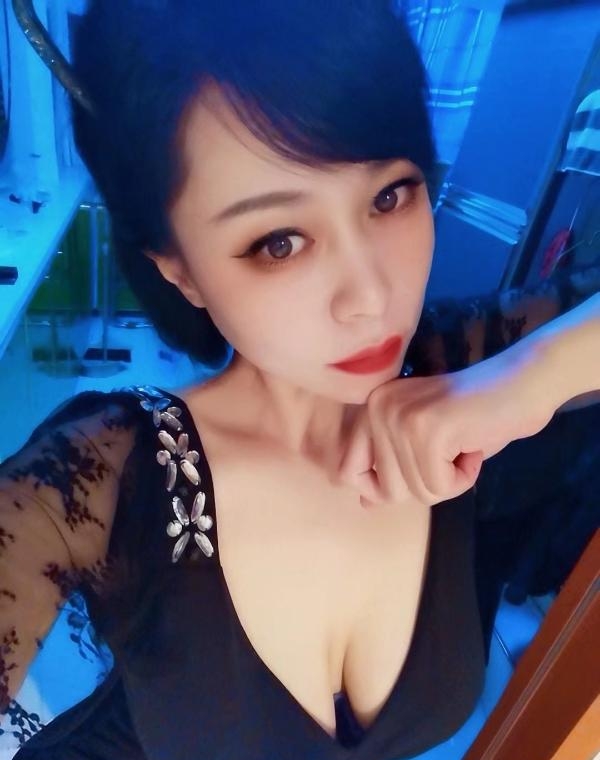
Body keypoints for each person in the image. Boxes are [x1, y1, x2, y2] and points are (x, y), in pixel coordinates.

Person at [1, 1, 599, 757]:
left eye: (389, 196)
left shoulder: (463, 369)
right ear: (182, 272)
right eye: (279, 242)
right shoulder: (105, 478)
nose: (370, 296)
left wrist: (528, 380)